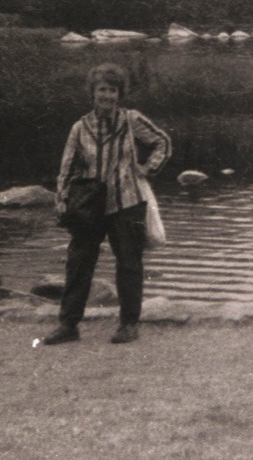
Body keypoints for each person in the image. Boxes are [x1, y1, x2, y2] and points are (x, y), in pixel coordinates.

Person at [43, 62, 170, 346]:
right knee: (79, 263)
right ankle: (68, 324)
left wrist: (148, 168)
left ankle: (128, 324)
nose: (107, 96)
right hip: (90, 204)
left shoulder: (131, 120)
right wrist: (62, 202)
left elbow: (162, 141)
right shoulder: (80, 127)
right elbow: (67, 168)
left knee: (129, 264)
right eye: (102, 90)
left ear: (119, 93)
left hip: (127, 202)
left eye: (113, 91)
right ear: (92, 92)